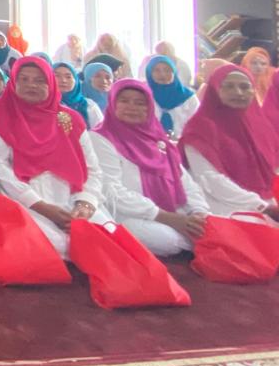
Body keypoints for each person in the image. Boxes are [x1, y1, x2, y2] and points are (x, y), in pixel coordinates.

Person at [0, 56, 107, 258]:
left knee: (105, 235)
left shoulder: (70, 118)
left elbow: (92, 168)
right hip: (23, 193)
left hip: (71, 192)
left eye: (39, 80)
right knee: (58, 245)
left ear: (50, 83)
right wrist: (42, 207)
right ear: (13, 81)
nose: (31, 85)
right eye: (24, 79)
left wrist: (85, 203)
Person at [92, 79, 211, 256]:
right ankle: (189, 245)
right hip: (124, 214)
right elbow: (111, 191)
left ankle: (192, 241)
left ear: (149, 108)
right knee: (166, 240)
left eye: (140, 103)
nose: (132, 107)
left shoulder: (159, 140)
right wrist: (169, 218)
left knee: (206, 225)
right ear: (112, 103)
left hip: (172, 211)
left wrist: (199, 212)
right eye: (124, 100)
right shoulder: (100, 138)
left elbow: (185, 182)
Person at [179, 64, 279, 219]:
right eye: (228, 86)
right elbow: (210, 180)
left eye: (245, 87)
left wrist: (266, 205)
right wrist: (261, 206)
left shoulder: (259, 126)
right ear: (214, 89)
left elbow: (273, 169)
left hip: (263, 200)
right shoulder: (200, 129)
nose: (238, 92)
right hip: (220, 205)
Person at [144, 54, 199, 136]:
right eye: (156, 70)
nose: (162, 74)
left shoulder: (188, 97)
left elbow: (197, 125)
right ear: (149, 73)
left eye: (167, 70)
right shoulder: (143, 95)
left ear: (174, 72)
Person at [55, 62, 103, 129]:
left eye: (68, 77)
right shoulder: (45, 105)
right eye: (57, 76)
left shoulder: (89, 105)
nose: (63, 80)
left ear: (76, 80)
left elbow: (99, 134)